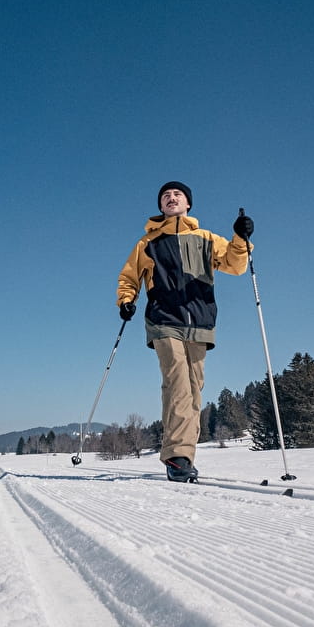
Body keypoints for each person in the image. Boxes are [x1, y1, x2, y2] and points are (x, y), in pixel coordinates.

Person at [116, 182, 253, 482]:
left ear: (187, 203)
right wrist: (127, 300)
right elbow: (129, 276)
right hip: (164, 319)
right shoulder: (147, 243)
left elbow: (234, 264)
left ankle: (184, 456)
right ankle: (177, 457)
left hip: (201, 323)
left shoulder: (206, 238)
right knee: (177, 381)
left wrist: (241, 238)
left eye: (177, 195)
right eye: (165, 196)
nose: (171, 198)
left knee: (193, 390)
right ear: (161, 206)